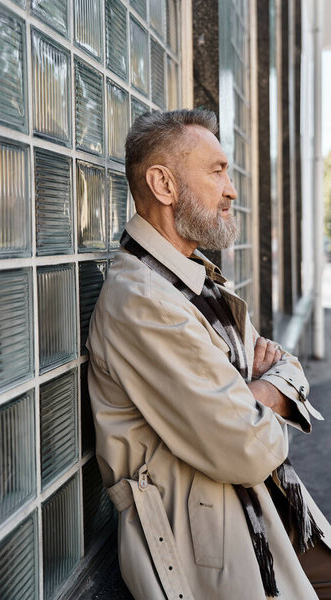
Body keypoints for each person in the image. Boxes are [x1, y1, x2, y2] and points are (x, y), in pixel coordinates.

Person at [86, 109, 331, 599]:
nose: (231, 189)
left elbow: (286, 363)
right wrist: (271, 393)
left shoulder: (190, 279)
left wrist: (251, 392)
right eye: (216, 171)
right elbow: (247, 445)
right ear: (163, 184)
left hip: (261, 511)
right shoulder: (144, 300)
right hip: (210, 548)